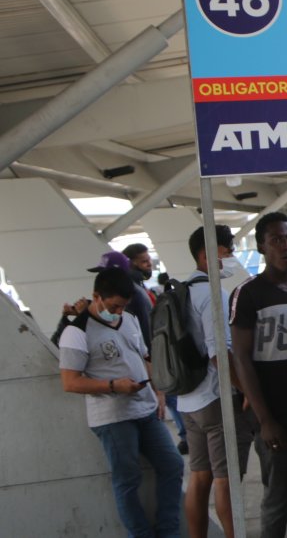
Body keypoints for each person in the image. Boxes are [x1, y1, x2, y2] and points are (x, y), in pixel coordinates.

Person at [58, 267, 184, 538]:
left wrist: (159, 392)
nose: (117, 312)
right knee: (128, 479)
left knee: (173, 464)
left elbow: (144, 356)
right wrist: (113, 386)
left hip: (145, 408)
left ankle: (169, 530)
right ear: (96, 296)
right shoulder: (77, 331)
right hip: (112, 417)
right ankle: (140, 534)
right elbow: (70, 382)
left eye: (122, 307)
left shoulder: (129, 319)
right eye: (113, 306)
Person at [230, 212, 287, 538]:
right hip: (274, 421)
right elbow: (241, 358)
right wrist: (264, 418)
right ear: (261, 247)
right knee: (278, 501)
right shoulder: (250, 294)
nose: (286, 246)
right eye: (276, 240)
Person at [177, 224, 253, 538]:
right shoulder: (213, 294)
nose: (232, 257)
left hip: (187, 401)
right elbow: (218, 354)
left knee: (199, 477)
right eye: (228, 251)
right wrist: (246, 389)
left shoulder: (181, 291)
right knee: (226, 479)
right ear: (207, 254)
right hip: (214, 399)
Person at [124, 242, 189, 453]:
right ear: (131, 265)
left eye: (148, 261)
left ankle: (186, 434)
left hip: (155, 354)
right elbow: (144, 327)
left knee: (170, 396)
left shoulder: (140, 289)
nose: (148, 266)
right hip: (153, 355)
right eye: (143, 262)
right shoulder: (134, 291)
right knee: (169, 395)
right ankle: (186, 434)